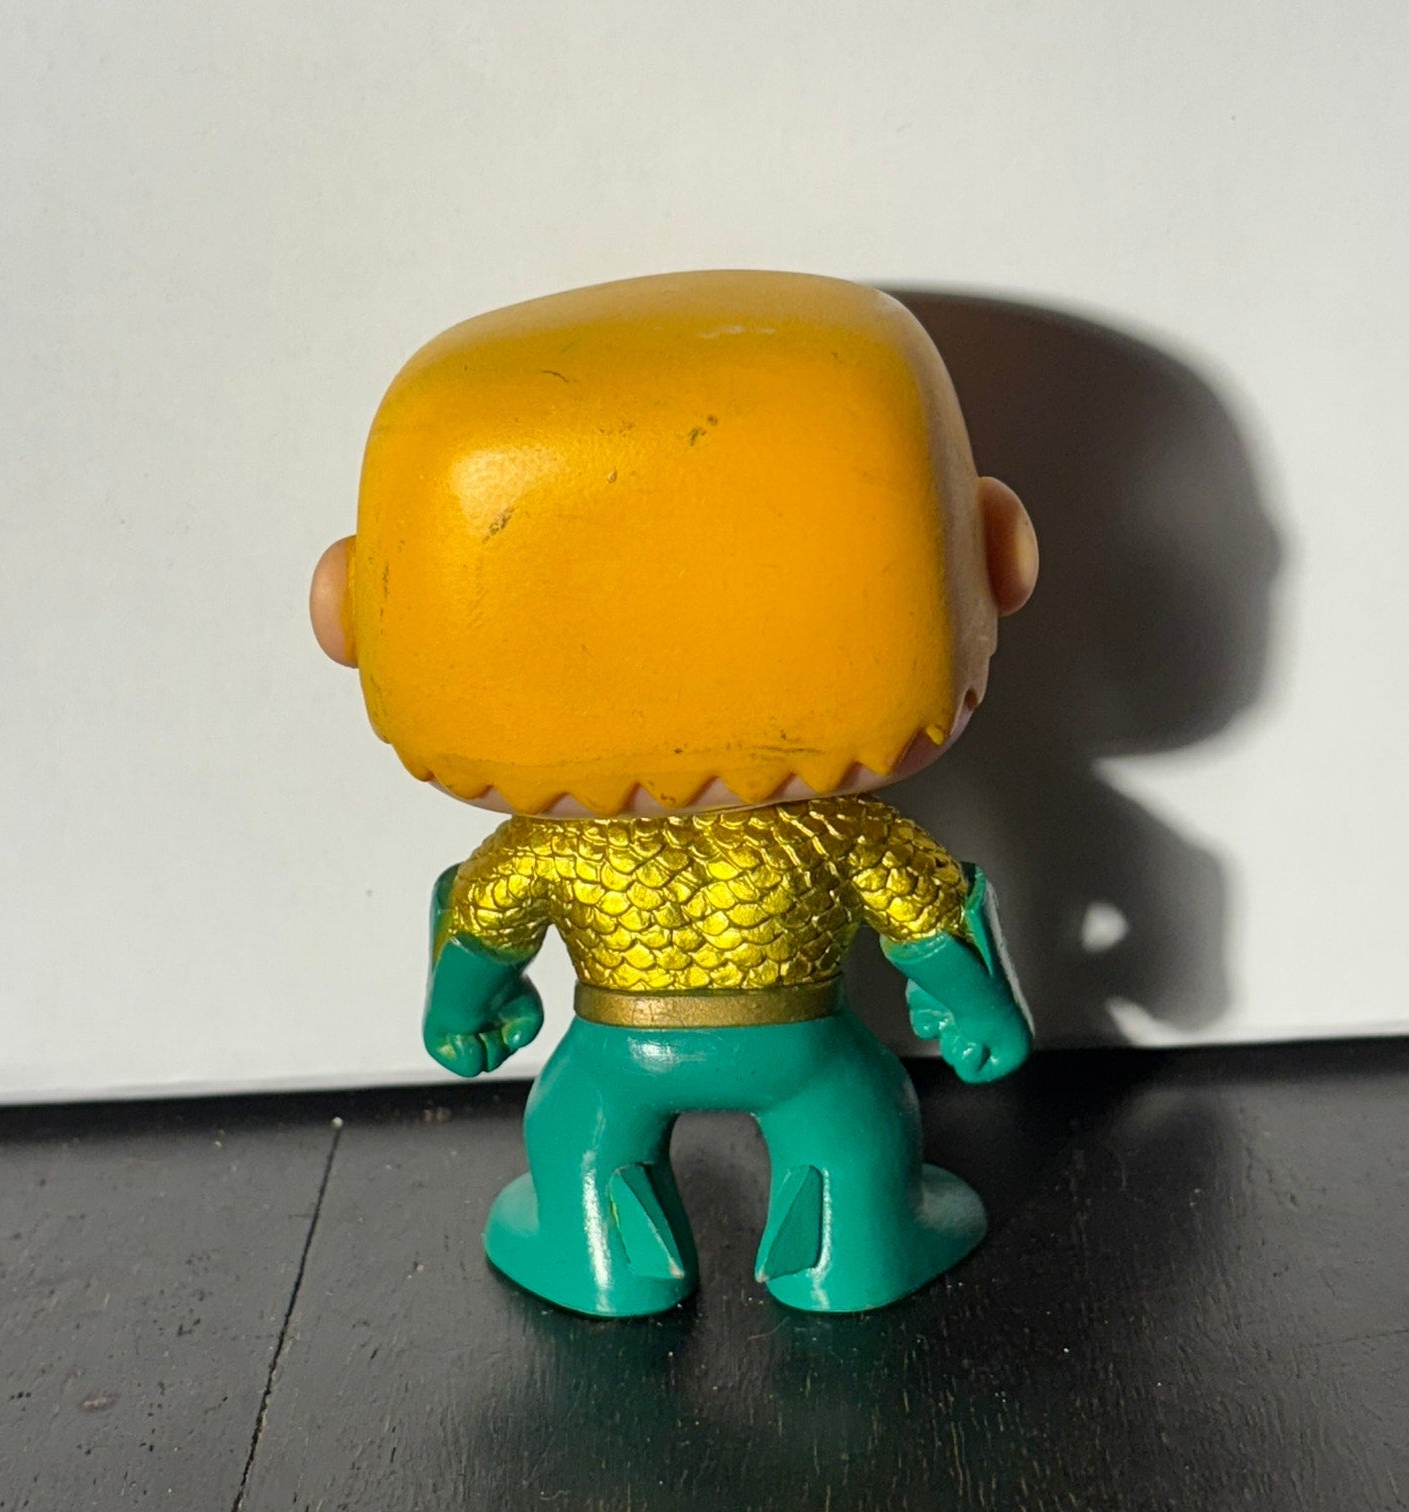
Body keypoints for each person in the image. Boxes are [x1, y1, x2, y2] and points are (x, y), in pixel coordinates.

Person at [310, 270, 1039, 1316]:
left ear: (354, 608)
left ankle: (601, 1256)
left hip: (619, 1050)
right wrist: (983, 1012)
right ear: (991, 552)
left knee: (573, 1129)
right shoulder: (837, 837)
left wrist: (459, 1014)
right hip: (800, 1043)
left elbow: (479, 923)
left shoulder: (550, 851)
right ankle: (849, 1250)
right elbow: (929, 916)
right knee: (857, 1120)